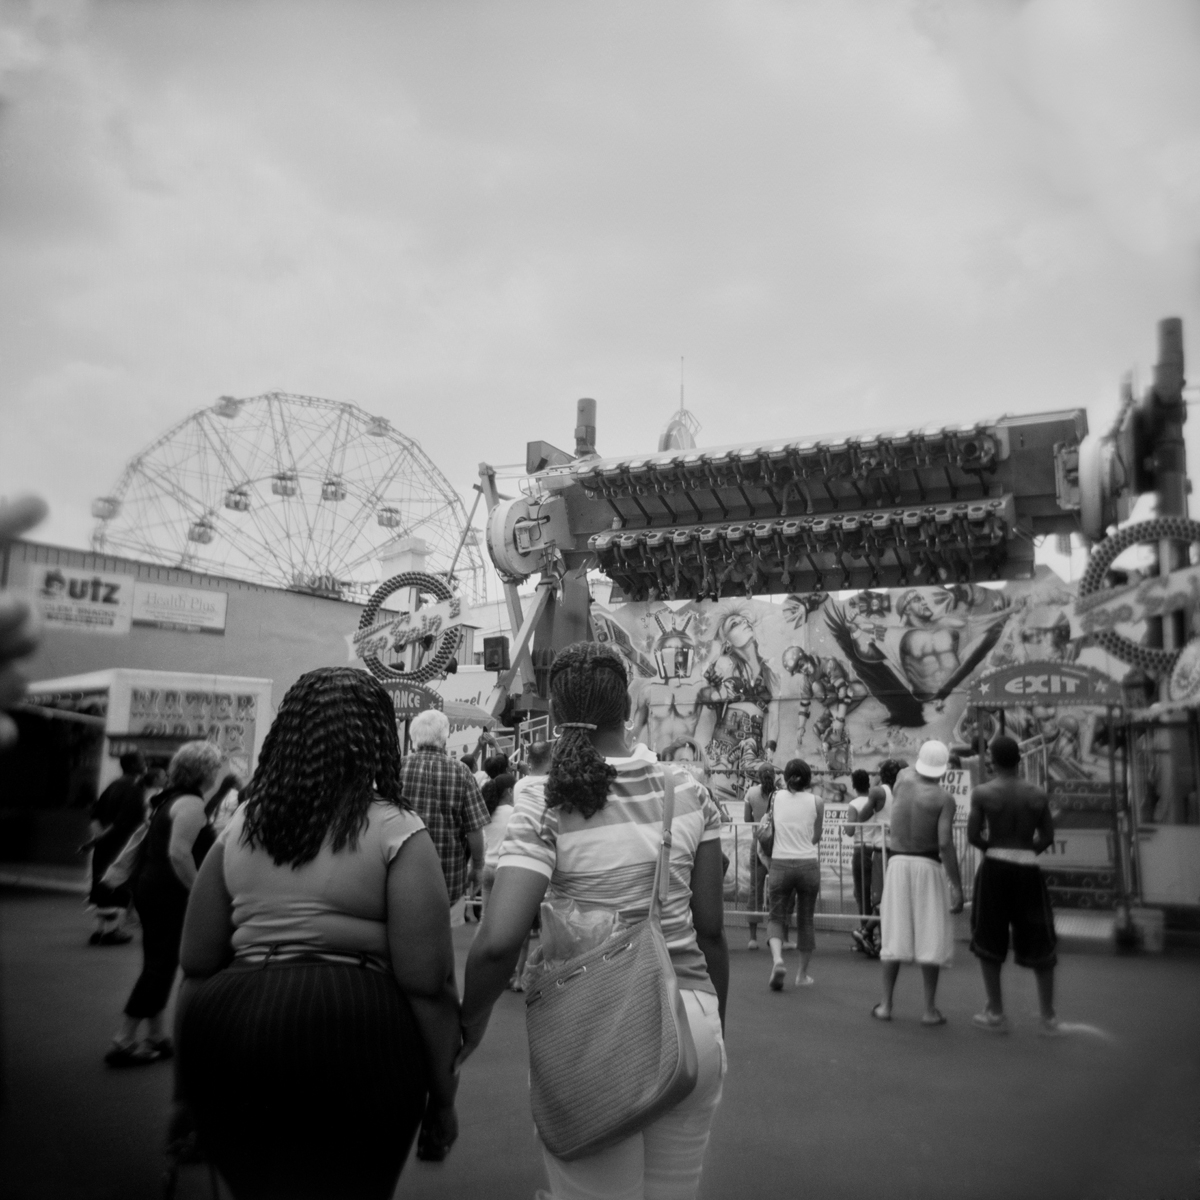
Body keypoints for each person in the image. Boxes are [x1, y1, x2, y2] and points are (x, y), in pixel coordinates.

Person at [176, 667, 461, 1198]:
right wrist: (442, 1098)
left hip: (227, 1024)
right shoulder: (395, 829)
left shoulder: (240, 826)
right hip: (353, 1027)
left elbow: (195, 966)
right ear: (377, 738)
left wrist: (182, 1095)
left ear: (287, 732)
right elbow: (428, 983)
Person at [460, 642, 728, 1200]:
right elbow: (710, 927)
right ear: (628, 705)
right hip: (692, 1017)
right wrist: (712, 1024)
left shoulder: (544, 797)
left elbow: (498, 941)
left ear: (555, 714)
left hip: (595, 1029)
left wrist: (468, 1026)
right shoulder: (688, 790)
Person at [105, 740, 225, 1067]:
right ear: (204, 771)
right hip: (169, 893)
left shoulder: (171, 798)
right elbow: (179, 852)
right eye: (215, 767)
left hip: (152, 888)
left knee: (157, 962)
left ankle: (155, 1034)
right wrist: (200, 889)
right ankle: (125, 1039)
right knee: (161, 965)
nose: (217, 772)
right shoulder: (189, 803)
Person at [967, 735, 1060, 1035]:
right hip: (1028, 869)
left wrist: (995, 848)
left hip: (995, 866)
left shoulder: (983, 793)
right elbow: (1047, 836)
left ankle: (996, 1012)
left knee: (989, 937)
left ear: (992, 761)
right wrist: (1026, 851)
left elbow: (972, 835)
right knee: (1039, 938)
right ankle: (1048, 1016)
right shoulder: (1037, 794)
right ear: (1019, 760)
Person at [872, 740, 964, 1026]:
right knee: (930, 933)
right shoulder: (943, 799)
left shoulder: (901, 784)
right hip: (927, 864)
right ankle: (929, 1009)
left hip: (897, 864)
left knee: (894, 933)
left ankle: (886, 1005)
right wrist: (957, 885)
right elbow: (945, 842)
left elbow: (905, 769)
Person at [400, 709, 489, 912]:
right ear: (445, 738)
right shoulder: (462, 772)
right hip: (447, 880)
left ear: (414, 737)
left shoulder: (398, 767)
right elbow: (474, 829)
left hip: (401, 877)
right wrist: (477, 866)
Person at [766, 758, 824, 991]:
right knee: (806, 919)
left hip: (780, 863)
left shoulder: (775, 798)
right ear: (808, 778)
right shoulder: (817, 801)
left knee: (776, 916)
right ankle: (801, 974)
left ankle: (778, 960)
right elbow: (816, 836)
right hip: (808, 864)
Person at [86, 751, 147, 945]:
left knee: (101, 886)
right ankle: (112, 932)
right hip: (121, 846)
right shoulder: (134, 788)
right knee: (117, 886)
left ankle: (99, 930)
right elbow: (124, 821)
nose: (145, 764)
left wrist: (98, 838)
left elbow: (94, 815)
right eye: (142, 762)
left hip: (104, 846)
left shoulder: (112, 785)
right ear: (133, 766)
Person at [842, 767, 877, 956]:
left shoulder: (855, 804)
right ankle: (873, 933)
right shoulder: (876, 802)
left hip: (860, 849)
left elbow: (850, 831)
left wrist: (845, 824)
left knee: (861, 894)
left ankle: (866, 934)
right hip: (876, 849)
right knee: (875, 894)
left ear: (854, 785)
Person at [742, 764, 775, 950]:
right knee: (777, 890)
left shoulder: (751, 793)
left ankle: (753, 938)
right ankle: (777, 936)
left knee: (755, 888)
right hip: (777, 845)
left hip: (758, 843)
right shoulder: (780, 794)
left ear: (758, 776)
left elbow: (747, 820)